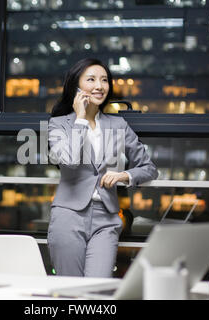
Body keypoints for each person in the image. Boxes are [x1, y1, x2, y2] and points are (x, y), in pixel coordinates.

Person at [47, 58, 158, 278]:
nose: (100, 86)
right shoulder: (58, 124)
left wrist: (124, 175)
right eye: (91, 80)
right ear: (76, 87)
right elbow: (67, 159)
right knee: (71, 291)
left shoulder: (118, 124)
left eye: (104, 80)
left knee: (98, 289)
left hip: (106, 219)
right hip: (68, 216)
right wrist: (80, 119)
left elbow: (149, 168)